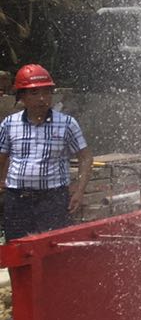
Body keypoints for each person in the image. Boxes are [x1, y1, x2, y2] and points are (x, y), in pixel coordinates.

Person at [0, 64, 92, 241]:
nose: (42, 99)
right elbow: (2, 157)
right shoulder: (9, 124)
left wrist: (79, 191)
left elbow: (85, 157)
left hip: (53, 201)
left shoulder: (66, 124)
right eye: (34, 93)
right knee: (18, 251)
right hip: (18, 201)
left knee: (53, 249)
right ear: (22, 97)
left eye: (46, 93)